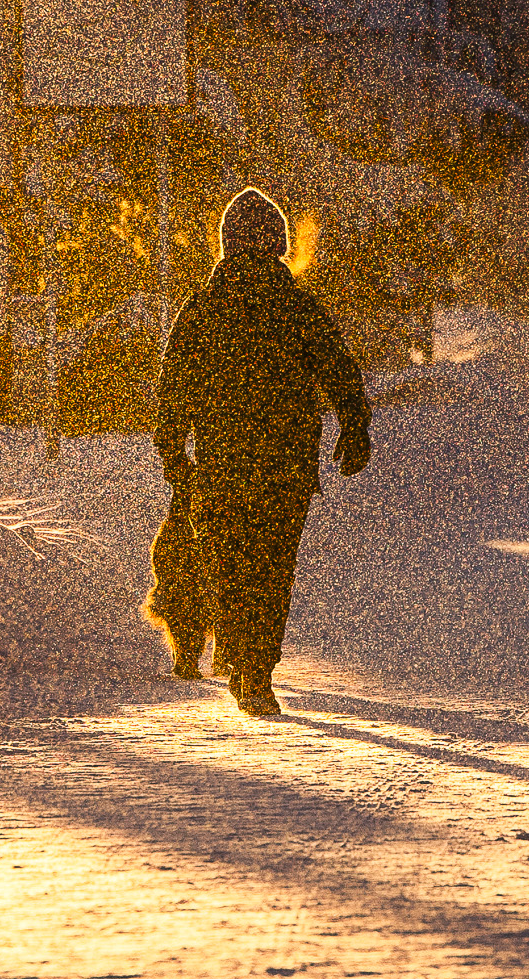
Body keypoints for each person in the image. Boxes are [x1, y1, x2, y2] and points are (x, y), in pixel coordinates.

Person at [150, 188, 373, 718]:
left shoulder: (203, 305)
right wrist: (354, 424)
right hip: (287, 462)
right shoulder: (297, 304)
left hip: (222, 463)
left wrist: (172, 450)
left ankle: (237, 646)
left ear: (226, 245)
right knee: (273, 565)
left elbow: (173, 383)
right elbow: (337, 367)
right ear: (278, 242)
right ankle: (257, 670)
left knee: (229, 562)